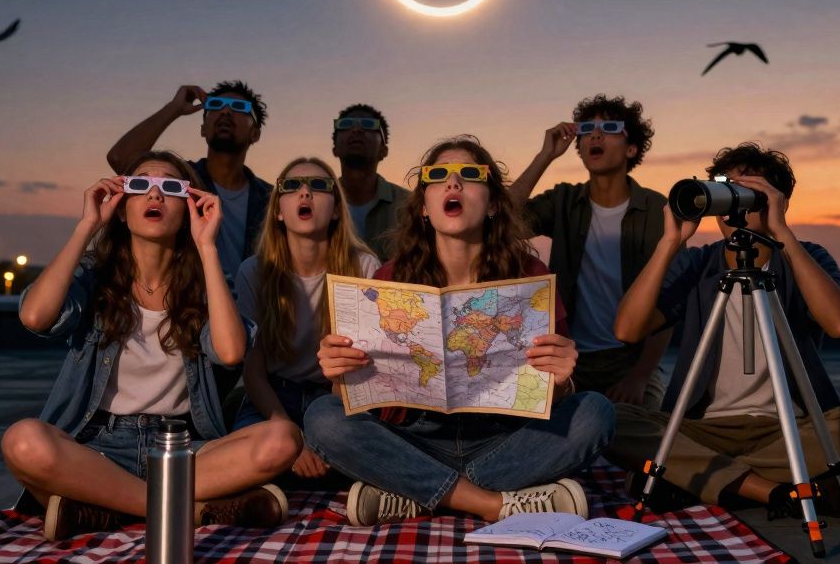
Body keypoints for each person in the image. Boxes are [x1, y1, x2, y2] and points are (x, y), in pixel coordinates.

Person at [304, 136, 617, 526]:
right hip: (415, 439)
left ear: (492, 204)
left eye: (470, 175)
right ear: (422, 204)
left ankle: (417, 492)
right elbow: (356, 400)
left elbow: (553, 396)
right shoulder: (391, 279)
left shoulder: (530, 278)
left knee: (595, 412)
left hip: (502, 441)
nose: (453, 184)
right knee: (322, 416)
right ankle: (490, 503)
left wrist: (564, 380)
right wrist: (340, 376)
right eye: (438, 176)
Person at [0, 151, 301, 541]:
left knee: (282, 439)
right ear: (122, 209)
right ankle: (189, 511)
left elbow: (230, 352)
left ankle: (107, 509)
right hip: (99, 448)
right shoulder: (95, 275)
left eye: (170, 188)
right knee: (22, 441)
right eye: (140, 185)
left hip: (183, 446)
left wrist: (207, 247)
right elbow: (36, 317)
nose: (155, 196)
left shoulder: (207, 279)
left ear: (189, 207)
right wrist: (86, 226)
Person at [607, 143, 840, 521]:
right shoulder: (697, 263)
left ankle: (694, 478)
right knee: (607, 419)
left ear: (776, 202)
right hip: (703, 429)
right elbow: (627, 329)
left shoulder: (804, 256)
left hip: (788, 428)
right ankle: (779, 492)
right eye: (724, 193)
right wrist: (669, 243)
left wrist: (783, 234)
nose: (732, 209)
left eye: (747, 194)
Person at [509, 94, 669, 409]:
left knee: (648, 442)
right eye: (586, 130)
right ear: (579, 147)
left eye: (610, 128)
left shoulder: (656, 209)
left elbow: (668, 301)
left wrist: (639, 377)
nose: (595, 135)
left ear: (631, 148)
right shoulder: (564, 200)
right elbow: (500, 221)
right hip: (568, 357)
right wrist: (545, 156)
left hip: (630, 361)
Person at [233, 156, 381, 482]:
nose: (305, 193)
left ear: (338, 208)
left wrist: (319, 436)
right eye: (291, 186)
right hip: (272, 398)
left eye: (318, 186)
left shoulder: (365, 267)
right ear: (277, 210)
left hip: (335, 398)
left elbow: (357, 368)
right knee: (254, 456)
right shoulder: (253, 272)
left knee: (359, 451)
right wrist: (291, 437)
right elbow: (253, 371)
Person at [106, 81, 271, 283]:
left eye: (239, 107)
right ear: (203, 128)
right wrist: (173, 109)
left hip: (254, 310)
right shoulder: (178, 182)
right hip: (191, 304)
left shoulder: (271, 199)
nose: (226, 112)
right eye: (216, 105)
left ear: (255, 134)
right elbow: (121, 159)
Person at [331, 103, 411, 260]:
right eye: (345, 125)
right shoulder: (317, 203)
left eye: (369, 125)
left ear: (384, 150)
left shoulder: (409, 205)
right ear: (335, 149)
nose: (356, 130)